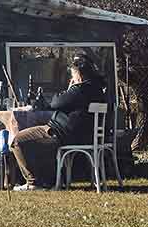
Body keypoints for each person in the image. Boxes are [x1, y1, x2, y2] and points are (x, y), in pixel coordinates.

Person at [9, 51, 111, 189]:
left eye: (73, 74)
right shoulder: (98, 90)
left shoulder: (79, 90)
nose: (72, 77)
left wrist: (70, 87)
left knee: (17, 141)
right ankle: (48, 181)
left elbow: (56, 103)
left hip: (60, 133)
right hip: (82, 136)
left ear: (79, 74)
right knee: (37, 143)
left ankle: (33, 183)